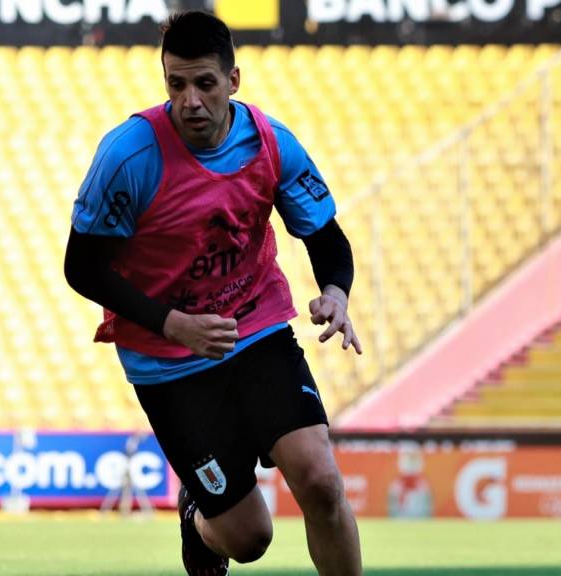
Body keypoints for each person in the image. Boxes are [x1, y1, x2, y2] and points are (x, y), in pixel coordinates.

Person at [64, 10, 363, 576]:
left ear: (233, 81)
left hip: (257, 330)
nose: (190, 101)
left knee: (322, 482)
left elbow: (326, 238)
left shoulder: (271, 144)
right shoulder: (128, 156)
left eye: (204, 83)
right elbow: (82, 268)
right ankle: (197, 520)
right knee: (249, 538)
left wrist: (336, 293)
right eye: (176, 84)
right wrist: (174, 324)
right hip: (169, 363)